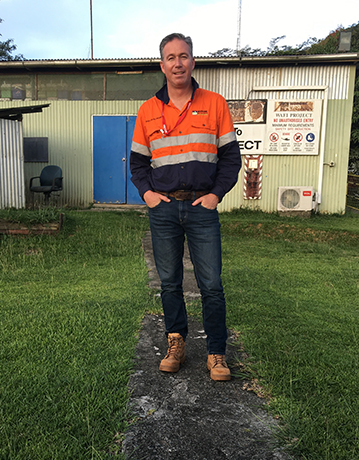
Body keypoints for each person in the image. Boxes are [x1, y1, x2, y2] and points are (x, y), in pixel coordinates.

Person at [130, 33, 241, 381]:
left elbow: (231, 159)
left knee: (211, 284)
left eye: (183, 56)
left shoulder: (215, 104)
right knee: (170, 283)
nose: (177, 63)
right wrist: (148, 194)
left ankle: (216, 354)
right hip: (163, 211)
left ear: (193, 61)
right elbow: (137, 164)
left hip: (201, 209)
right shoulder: (148, 110)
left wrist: (215, 195)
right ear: (162, 65)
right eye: (170, 57)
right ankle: (175, 343)